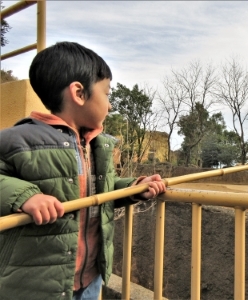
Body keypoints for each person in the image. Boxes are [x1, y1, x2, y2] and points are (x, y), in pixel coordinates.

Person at [0, 41, 166, 299]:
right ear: (78, 93)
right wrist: (26, 196)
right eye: (107, 93)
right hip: (37, 287)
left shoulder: (97, 144)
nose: (110, 105)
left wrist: (134, 188)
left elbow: (99, 191)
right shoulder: (17, 140)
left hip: (90, 279)